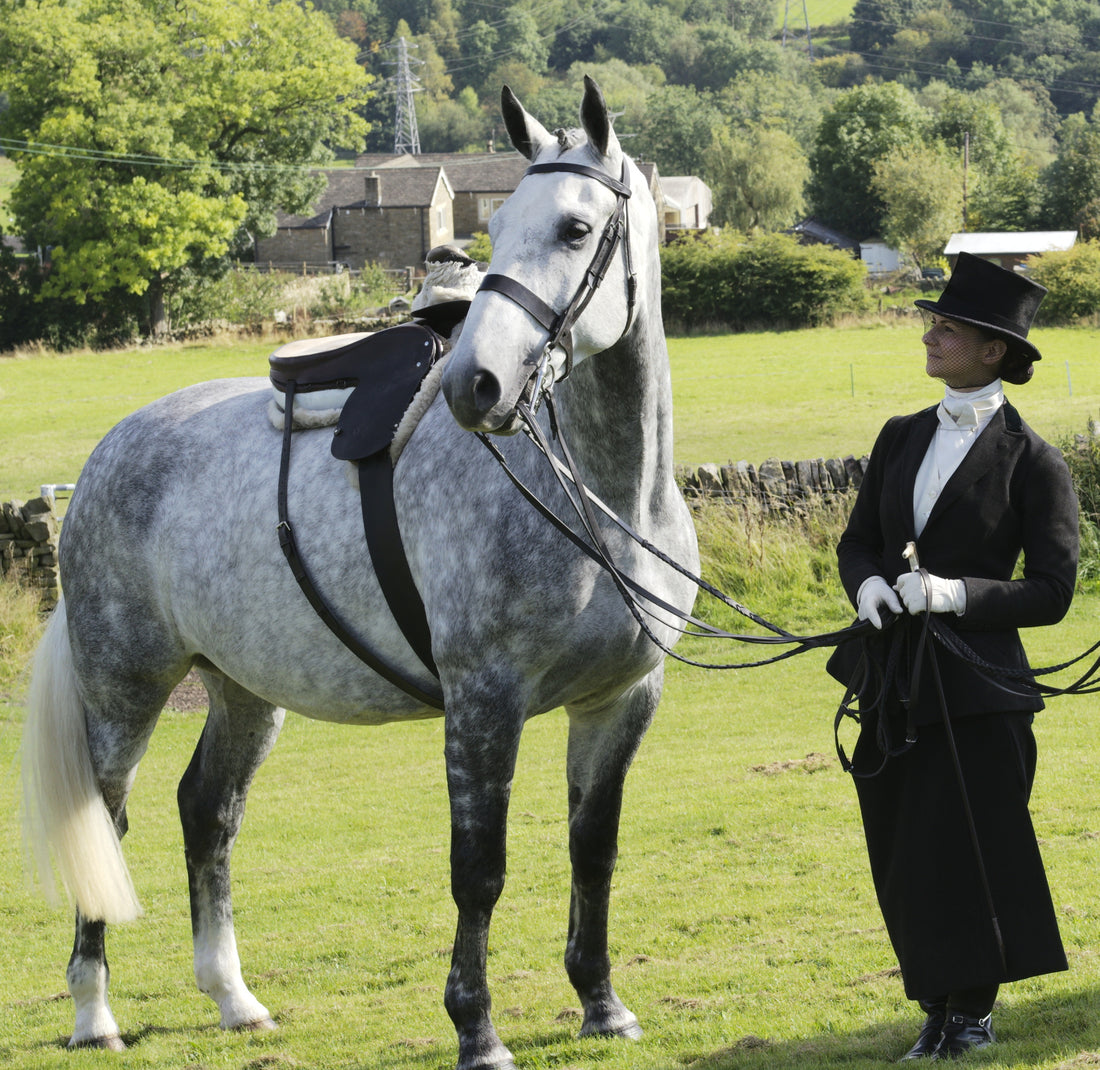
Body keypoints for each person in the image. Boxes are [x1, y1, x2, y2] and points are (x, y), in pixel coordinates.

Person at [827, 252, 1079, 1061]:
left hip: (980, 689)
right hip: (893, 683)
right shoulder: (900, 436)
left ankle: (971, 1014)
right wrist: (866, 587)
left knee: (975, 852)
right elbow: (860, 541)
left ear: (994, 349)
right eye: (934, 323)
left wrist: (953, 594)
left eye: (949, 327)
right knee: (902, 850)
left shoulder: (1035, 463)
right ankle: (932, 1006)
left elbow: (1052, 592)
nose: (931, 334)